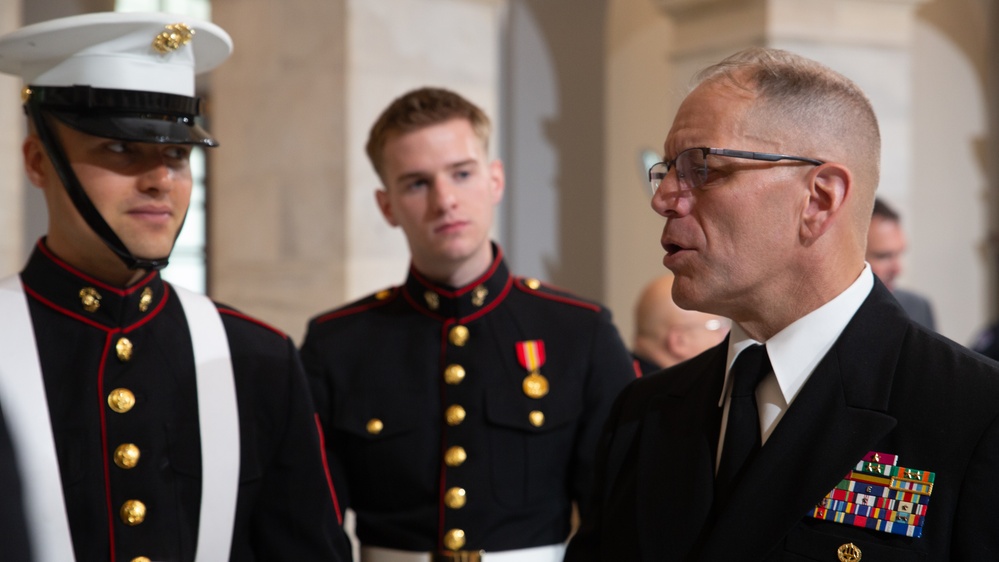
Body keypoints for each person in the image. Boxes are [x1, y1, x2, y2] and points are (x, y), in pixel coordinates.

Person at [565, 47, 999, 560]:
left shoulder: (975, 414)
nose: (664, 199)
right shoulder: (645, 411)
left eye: (702, 169)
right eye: (668, 172)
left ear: (819, 199)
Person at [0, 12, 350, 561]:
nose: (160, 179)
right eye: (120, 148)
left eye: (177, 154)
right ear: (38, 160)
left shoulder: (257, 359)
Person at [300, 87, 636, 561]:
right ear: (387, 205)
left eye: (461, 173)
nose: (445, 200)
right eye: (417, 183)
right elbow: (309, 517)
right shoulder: (338, 344)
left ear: (495, 180)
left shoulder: (580, 332)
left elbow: (619, 514)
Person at [631, 273, 729, 375]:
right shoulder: (656, 390)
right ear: (679, 341)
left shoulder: (624, 376)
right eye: (717, 326)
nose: (725, 333)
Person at [866, 197, 936, 330]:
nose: (898, 269)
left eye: (899, 254)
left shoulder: (917, 308)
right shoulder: (826, 312)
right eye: (883, 256)